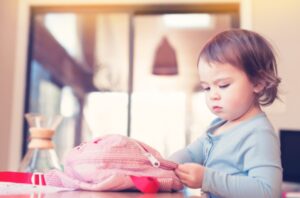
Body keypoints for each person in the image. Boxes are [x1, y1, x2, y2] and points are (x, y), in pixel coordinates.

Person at [169, 29, 282, 198]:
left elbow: (267, 192)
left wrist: (207, 178)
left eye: (223, 85)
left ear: (258, 82)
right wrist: (167, 164)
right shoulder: (218, 126)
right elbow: (192, 153)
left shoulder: (258, 133)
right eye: (206, 88)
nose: (213, 95)